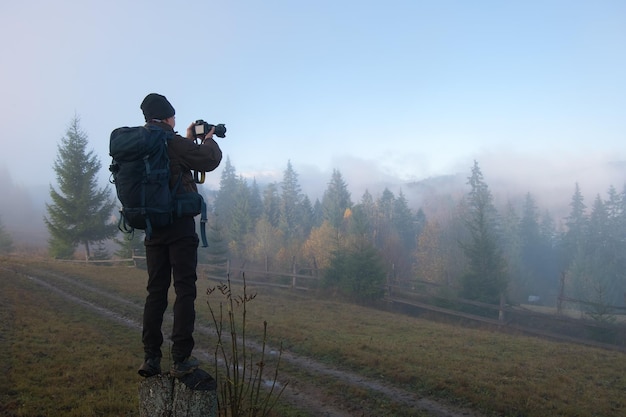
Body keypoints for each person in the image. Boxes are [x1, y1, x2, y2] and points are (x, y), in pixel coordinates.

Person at [137, 93, 222, 378]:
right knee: (185, 289)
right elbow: (208, 160)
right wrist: (207, 138)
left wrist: (186, 137)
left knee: (156, 291)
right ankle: (181, 357)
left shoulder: (141, 142)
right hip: (180, 228)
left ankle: (151, 358)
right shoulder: (172, 142)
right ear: (168, 116)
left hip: (152, 226)